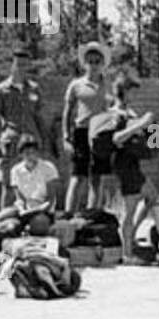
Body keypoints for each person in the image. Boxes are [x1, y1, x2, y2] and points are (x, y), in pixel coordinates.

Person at [93, 75, 155, 259]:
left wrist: (152, 136)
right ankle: (127, 253)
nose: (135, 95)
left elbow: (146, 139)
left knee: (151, 197)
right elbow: (117, 139)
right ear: (124, 91)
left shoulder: (130, 112)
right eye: (132, 91)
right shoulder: (115, 113)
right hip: (124, 165)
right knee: (130, 209)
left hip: (133, 163)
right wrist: (142, 124)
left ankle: (131, 237)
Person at [0, 48, 46, 209]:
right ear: (12, 65)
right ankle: (3, 223)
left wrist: (43, 140)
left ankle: (28, 222)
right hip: (10, 141)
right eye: (19, 64)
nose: (22, 68)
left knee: (30, 185)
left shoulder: (34, 89)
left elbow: (39, 116)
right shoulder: (1, 89)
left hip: (30, 143)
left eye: (25, 65)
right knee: (8, 185)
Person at [60, 41, 110, 212]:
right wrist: (66, 137)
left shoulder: (108, 85)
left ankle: (91, 217)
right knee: (78, 177)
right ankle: (68, 216)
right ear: (84, 63)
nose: (94, 65)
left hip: (102, 134)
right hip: (81, 133)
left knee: (97, 178)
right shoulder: (76, 85)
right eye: (90, 61)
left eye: (97, 61)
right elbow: (67, 112)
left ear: (102, 63)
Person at [7, 134, 61, 234]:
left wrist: (37, 210)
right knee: (3, 220)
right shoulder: (15, 170)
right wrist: (22, 210)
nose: (31, 156)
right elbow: (19, 198)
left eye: (33, 152)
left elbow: (50, 199)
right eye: (27, 153)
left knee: (38, 225)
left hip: (43, 210)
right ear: (21, 154)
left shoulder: (48, 168)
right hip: (24, 211)